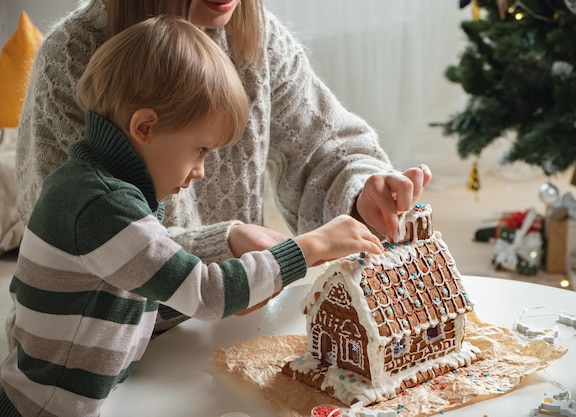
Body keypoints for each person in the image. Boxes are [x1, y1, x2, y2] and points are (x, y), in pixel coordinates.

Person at [0, 16, 384, 417]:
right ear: (145, 126)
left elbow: (139, 294)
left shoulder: (102, 186)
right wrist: (308, 248)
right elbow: (207, 293)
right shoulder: (100, 206)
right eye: (199, 150)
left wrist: (241, 281)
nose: (201, 170)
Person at [16, 0, 431, 321]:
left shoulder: (258, 36)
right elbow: (78, 240)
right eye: (200, 150)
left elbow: (326, 148)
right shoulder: (72, 56)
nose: (201, 173)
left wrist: (361, 191)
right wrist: (231, 244)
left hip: (231, 316)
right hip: (99, 355)